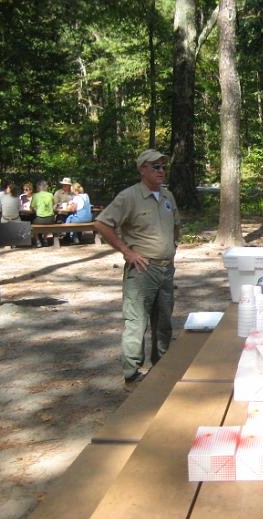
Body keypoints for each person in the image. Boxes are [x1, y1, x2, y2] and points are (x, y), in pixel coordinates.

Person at [94, 149, 180, 389]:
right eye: (155, 166)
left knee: (164, 321)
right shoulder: (129, 197)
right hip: (143, 271)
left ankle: (162, 367)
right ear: (142, 169)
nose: (161, 171)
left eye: (163, 166)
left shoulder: (167, 196)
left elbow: (176, 225)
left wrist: (171, 248)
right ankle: (132, 374)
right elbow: (101, 223)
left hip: (165, 269)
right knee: (137, 322)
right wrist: (127, 251)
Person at [31, 180, 56, 247]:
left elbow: (31, 208)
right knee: (46, 222)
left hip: (40, 219)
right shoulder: (50, 195)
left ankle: (38, 240)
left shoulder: (35, 195)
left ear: (39, 187)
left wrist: (35, 210)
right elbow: (53, 206)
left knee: (32, 224)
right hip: (51, 219)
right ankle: (45, 239)